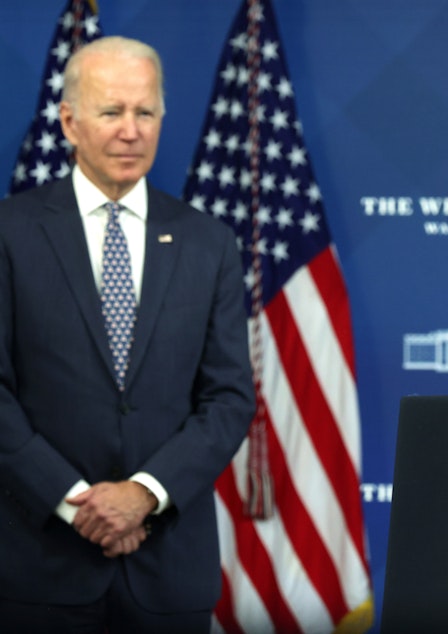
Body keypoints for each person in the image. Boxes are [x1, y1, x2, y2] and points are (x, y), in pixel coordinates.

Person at [0, 36, 255, 631]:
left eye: (145, 112)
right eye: (112, 112)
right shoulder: (9, 234)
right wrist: (75, 502)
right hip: (37, 569)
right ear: (69, 121)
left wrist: (144, 494)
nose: (131, 131)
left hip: (166, 570)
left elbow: (228, 397)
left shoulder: (207, 242)